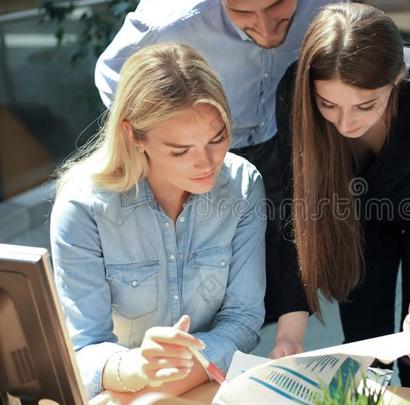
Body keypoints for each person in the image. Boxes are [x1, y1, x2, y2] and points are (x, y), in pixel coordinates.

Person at [95, 0, 341, 359]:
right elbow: (112, 75)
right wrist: (163, 149)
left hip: (279, 141)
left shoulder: (329, 6)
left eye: (277, 8)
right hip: (210, 147)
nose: (268, 30)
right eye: (243, 15)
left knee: (277, 252)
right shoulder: (171, 17)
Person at [275, 3, 410, 390]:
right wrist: (289, 331)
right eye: (328, 105)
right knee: (366, 353)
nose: (346, 124)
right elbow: (295, 211)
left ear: (396, 78)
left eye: (365, 105)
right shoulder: (294, 92)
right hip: (355, 219)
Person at [51, 43, 266, 400]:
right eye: (180, 151)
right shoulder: (83, 206)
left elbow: (242, 320)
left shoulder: (242, 187)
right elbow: (84, 346)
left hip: (204, 386)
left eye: (218, 139)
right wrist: (137, 368)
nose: (208, 162)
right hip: (119, 389)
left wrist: (161, 387)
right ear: (133, 136)